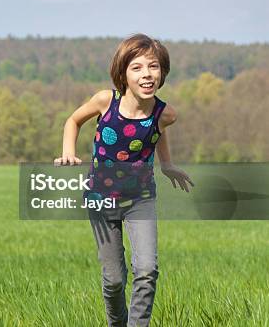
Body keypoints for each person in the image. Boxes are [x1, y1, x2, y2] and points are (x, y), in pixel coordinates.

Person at [54, 33, 193, 327]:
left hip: (140, 198)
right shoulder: (106, 101)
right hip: (101, 198)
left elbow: (159, 130)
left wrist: (166, 164)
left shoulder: (166, 113)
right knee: (114, 279)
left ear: (163, 72)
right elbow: (73, 121)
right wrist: (68, 152)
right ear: (123, 73)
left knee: (146, 269)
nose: (147, 74)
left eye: (153, 67)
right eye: (137, 67)